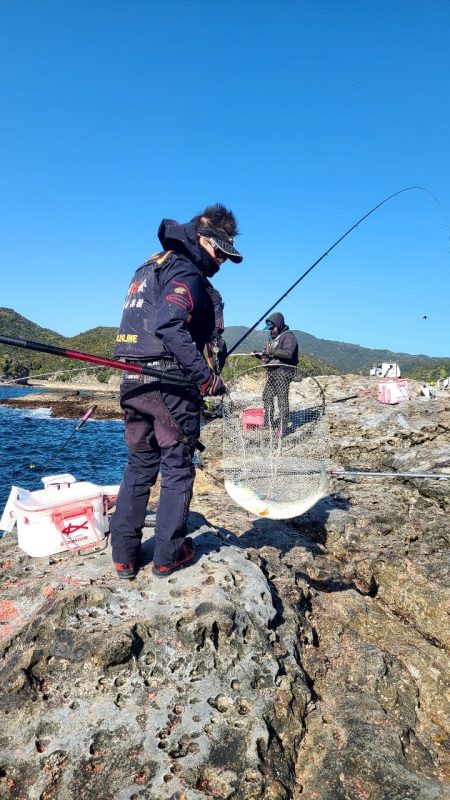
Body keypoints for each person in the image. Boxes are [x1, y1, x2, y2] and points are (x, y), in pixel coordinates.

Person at [110, 204, 243, 579]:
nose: (220, 263)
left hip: (133, 381)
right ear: (204, 239)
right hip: (171, 386)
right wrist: (206, 377)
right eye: (220, 253)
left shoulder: (149, 265)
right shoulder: (184, 270)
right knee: (178, 469)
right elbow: (169, 324)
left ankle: (124, 557)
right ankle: (168, 554)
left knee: (138, 466)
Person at [252, 312, 298, 435]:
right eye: (269, 328)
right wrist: (259, 355)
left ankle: (282, 428)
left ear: (279, 324)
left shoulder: (288, 336)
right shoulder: (273, 337)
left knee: (282, 400)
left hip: (283, 372)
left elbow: (289, 354)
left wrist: (271, 351)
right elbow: (269, 355)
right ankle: (268, 424)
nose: (271, 330)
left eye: (273, 327)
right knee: (266, 396)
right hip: (273, 373)